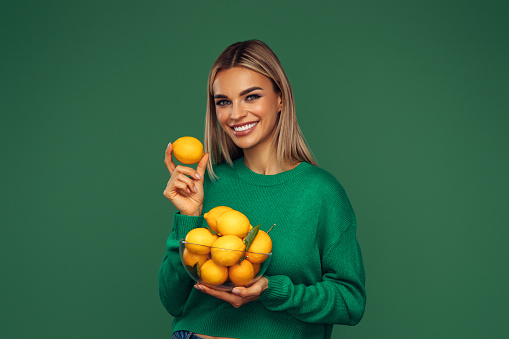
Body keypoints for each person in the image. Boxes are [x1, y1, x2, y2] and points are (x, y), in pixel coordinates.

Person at [159, 40, 366, 339]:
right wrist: (188, 216)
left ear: (280, 99)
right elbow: (172, 301)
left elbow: (351, 303)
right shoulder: (207, 186)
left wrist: (272, 290)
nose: (236, 114)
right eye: (224, 102)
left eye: (251, 97)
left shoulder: (321, 192)